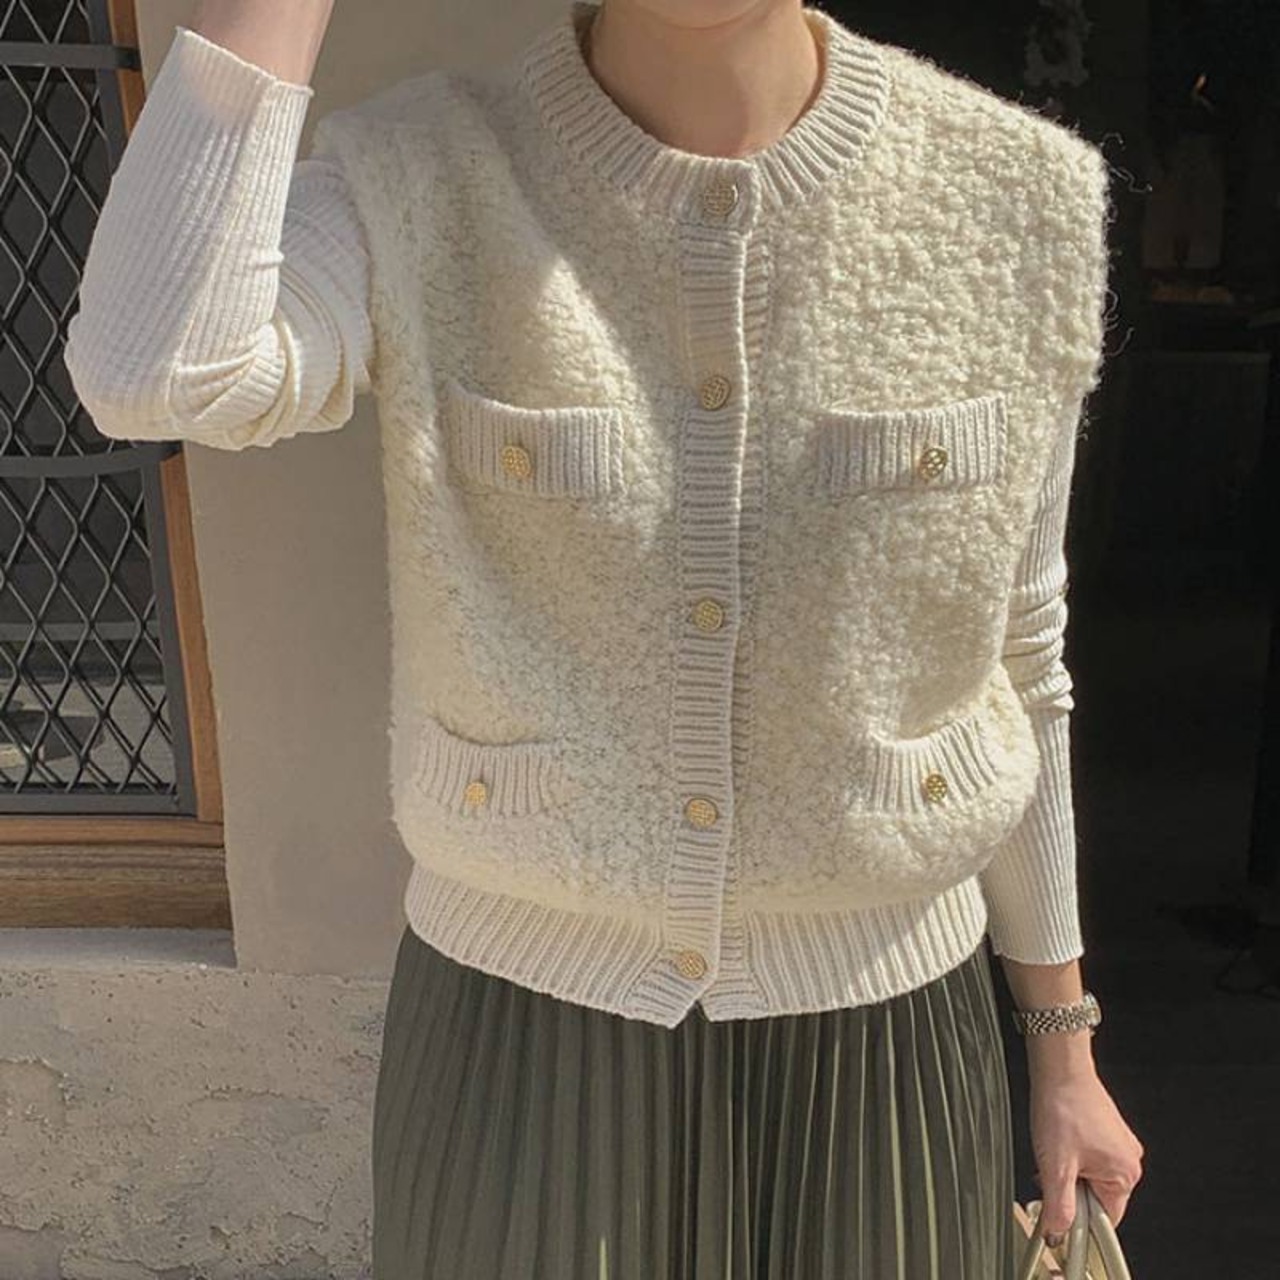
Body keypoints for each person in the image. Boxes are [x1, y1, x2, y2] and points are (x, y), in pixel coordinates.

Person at [64, 1, 1146, 1275]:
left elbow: (1019, 658)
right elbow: (157, 369)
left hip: (886, 1055)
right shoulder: (418, 177)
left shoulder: (1012, 195)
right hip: (520, 1050)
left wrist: (1062, 1046)